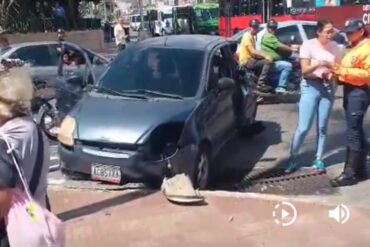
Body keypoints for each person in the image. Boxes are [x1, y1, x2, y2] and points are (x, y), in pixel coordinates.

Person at [0, 66, 50, 246]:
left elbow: (2, 199)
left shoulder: (5, 139)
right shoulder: (34, 129)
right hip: (35, 223)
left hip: (10, 234)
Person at [284, 20, 342, 174]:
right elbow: (304, 70)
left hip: (327, 87)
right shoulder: (308, 45)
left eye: (332, 32)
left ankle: (319, 158)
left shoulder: (335, 47)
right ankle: (292, 158)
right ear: (319, 32)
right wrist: (320, 64)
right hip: (310, 86)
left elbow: (338, 69)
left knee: (322, 127)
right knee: (303, 127)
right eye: (328, 31)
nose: (331, 34)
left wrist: (331, 74)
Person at [330, 19, 370, 186]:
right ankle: (359, 168)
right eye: (347, 32)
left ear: (361, 31)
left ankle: (350, 173)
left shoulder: (366, 48)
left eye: (351, 32)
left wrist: (343, 72)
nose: (348, 35)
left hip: (359, 92)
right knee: (356, 129)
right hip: (350, 91)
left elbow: (367, 74)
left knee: (353, 131)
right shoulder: (353, 47)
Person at [260, 19, 299, 93]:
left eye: (274, 27)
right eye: (271, 27)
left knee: (293, 60)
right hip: (271, 63)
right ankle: (281, 87)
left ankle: (291, 81)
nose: (273, 29)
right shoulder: (268, 36)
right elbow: (279, 46)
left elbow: (280, 44)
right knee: (287, 66)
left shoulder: (273, 36)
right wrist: (291, 49)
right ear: (268, 28)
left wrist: (289, 46)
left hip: (274, 61)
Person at [239, 19, 273, 93]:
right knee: (268, 62)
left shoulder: (252, 36)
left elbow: (254, 53)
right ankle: (261, 83)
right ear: (250, 27)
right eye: (253, 27)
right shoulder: (247, 36)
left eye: (256, 27)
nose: (255, 29)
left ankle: (260, 82)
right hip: (247, 60)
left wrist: (262, 56)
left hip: (250, 59)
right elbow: (252, 51)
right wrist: (266, 56)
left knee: (265, 60)